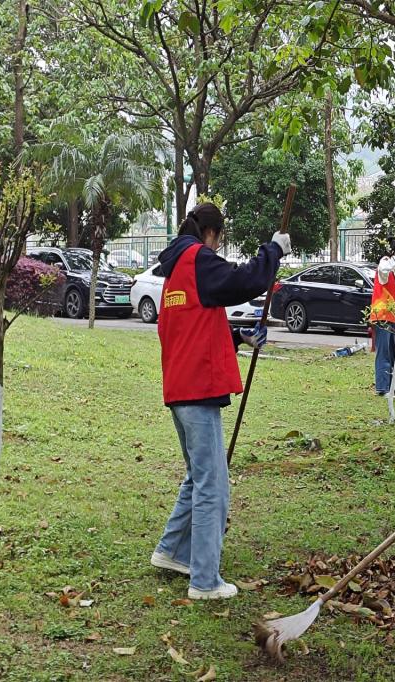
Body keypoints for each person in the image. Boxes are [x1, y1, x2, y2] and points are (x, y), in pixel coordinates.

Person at [150, 202, 291, 600]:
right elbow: (241, 281)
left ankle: (171, 551)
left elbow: (192, 324)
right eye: (220, 239)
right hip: (196, 390)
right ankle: (205, 580)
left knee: (198, 476)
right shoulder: (197, 257)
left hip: (180, 387)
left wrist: (237, 337)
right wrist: (273, 251)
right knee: (214, 484)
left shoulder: (175, 270)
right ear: (212, 233)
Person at [370, 238, 395, 396]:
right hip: (382, 317)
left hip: (391, 317)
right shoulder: (385, 263)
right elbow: (386, 268)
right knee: (384, 353)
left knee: (392, 353)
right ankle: (383, 388)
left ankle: (393, 386)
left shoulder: (393, 274)